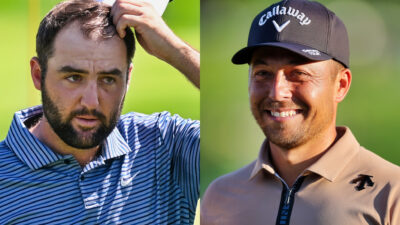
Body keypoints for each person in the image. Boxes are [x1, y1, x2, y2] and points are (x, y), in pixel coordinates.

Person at [201, 0, 400, 224]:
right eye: (263, 73)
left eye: (299, 74)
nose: (277, 92)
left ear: (341, 85)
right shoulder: (220, 196)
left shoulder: (391, 193)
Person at [0, 0, 199, 224]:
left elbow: (243, 119)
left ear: (128, 78)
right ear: (38, 75)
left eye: (108, 79)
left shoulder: (165, 145)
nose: (91, 102)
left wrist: (176, 50)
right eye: (74, 78)